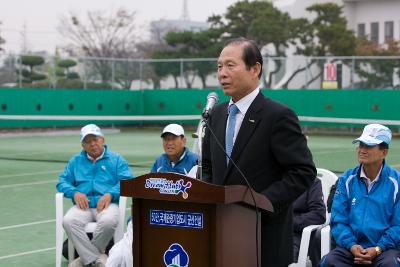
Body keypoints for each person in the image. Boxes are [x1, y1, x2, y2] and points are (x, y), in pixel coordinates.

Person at [201, 37, 316, 267]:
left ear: (255, 69)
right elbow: (208, 167)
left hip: (265, 235)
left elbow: (302, 172)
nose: (222, 73)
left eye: (230, 65)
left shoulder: (278, 116)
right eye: (219, 66)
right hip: (221, 232)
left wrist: (261, 203)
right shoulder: (215, 115)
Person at [106, 124, 198, 267]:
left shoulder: (194, 162)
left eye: (173, 139)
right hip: (153, 214)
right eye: (166, 139)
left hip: (179, 218)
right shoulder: (159, 161)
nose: (169, 143)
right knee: (121, 253)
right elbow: (147, 189)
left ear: (184, 141)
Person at [320, 123, 400, 267]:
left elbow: (398, 225)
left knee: (391, 264)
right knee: (329, 262)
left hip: (386, 250)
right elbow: (338, 220)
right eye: (361, 144)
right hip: (351, 249)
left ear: (384, 152)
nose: (362, 150)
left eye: (368, 146)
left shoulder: (397, 183)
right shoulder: (346, 179)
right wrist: (352, 246)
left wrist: (378, 248)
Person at [56, 124, 133, 267]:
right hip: (82, 207)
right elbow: (62, 182)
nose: (92, 144)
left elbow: (127, 180)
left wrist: (110, 194)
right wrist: (75, 192)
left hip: (107, 205)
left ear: (102, 140)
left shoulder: (116, 160)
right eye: (88, 141)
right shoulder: (75, 161)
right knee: (68, 221)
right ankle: (96, 257)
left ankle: (83, 258)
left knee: (109, 221)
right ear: (83, 145)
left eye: (95, 139)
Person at [292, 178, 326, 266]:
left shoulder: (312, 182)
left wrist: (289, 223)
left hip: (296, 233)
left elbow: (319, 215)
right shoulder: (271, 177)